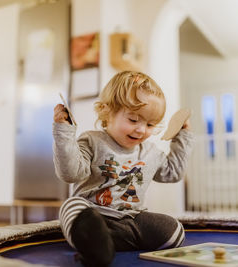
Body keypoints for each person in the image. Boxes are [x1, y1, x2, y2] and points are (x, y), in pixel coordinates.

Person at [52, 71, 194, 266]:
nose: (142, 130)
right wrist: (64, 132)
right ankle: (96, 241)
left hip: (130, 219)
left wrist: (183, 136)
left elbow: (172, 173)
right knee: (71, 207)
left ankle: (104, 243)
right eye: (133, 120)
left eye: (150, 124)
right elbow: (70, 173)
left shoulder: (150, 152)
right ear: (106, 111)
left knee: (174, 231)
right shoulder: (93, 140)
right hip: (93, 214)